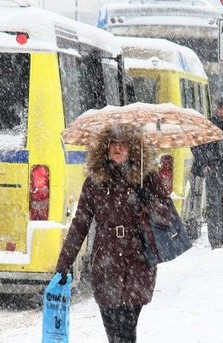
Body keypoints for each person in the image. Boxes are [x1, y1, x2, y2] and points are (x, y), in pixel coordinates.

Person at [54, 123, 171, 343]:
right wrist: (64, 265)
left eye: (123, 144)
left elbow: (165, 218)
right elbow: (80, 224)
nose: (117, 149)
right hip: (106, 262)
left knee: (126, 331)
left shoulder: (147, 179)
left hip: (138, 263)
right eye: (113, 144)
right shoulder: (95, 182)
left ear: (133, 148)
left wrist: (148, 201)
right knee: (112, 330)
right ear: (105, 148)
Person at [191, 97, 223, 249]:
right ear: (216, 109)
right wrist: (204, 164)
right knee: (215, 205)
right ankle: (215, 240)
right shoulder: (208, 125)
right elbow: (196, 144)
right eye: (220, 107)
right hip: (215, 170)